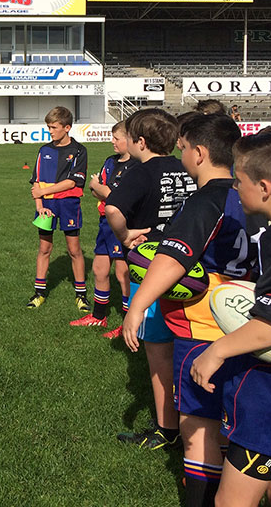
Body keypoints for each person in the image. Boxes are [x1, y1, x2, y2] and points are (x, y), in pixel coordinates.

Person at [122, 114, 263, 506]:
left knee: (197, 426)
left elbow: (173, 260)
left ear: (198, 153)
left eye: (182, 148)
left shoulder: (204, 200)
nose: (180, 154)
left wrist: (137, 306)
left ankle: (203, 497)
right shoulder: (254, 195)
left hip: (203, 326)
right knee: (232, 418)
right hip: (251, 323)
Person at [191, 131, 271, 507]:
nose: (235, 188)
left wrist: (217, 350)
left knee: (231, 502)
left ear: (265, 188)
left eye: (239, 180)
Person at [105, 108, 197, 449]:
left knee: (159, 352)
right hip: (193, 269)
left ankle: (166, 430)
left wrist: (126, 234)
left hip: (155, 268)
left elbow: (113, 208)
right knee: (190, 346)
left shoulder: (140, 172)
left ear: (139, 142)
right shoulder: (188, 167)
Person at [70, 120, 134, 338]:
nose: (112, 142)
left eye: (117, 138)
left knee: (123, 273)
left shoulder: (136, 166)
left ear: (131, 139)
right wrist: (101, 189)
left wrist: (102, 189)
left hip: (123, 224)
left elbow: (122, 197)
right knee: (99, 269)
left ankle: (128, 323)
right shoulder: (110, 162)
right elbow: (97, 190)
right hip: (105, 222)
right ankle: (98, 317)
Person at [26, 106, 88, 312]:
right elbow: (36, 183)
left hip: (68, 205)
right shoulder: (44, 150)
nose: (50, 131)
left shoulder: (79, 151)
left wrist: (45, 191)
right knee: (44, 249)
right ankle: (39, 293)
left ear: (67, 127)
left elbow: (72, 183)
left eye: (54, 127)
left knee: (74, 250)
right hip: (46, 206)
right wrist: (40, 205)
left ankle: (81, 295)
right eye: (48, 127)